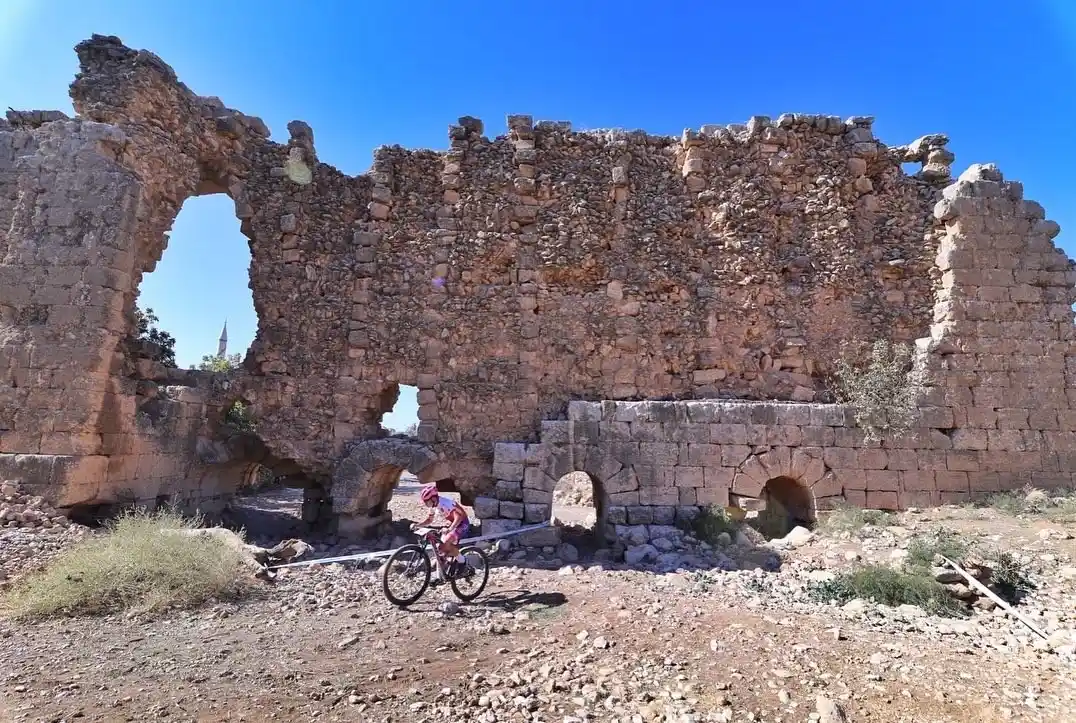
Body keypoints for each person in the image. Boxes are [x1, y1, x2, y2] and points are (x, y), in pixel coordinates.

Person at [413, 483, 471, 582]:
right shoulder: (434, 505)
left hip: (462, 522)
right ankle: (441, 576)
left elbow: (459, 517)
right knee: (440, 549)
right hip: (452, 523)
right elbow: (429, 520)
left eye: (427, 502)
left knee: (447, 541)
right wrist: (417, 525)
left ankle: (463, 561)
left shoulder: (445, 503)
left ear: (434, 499)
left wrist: (450, 528)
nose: (426, 504)